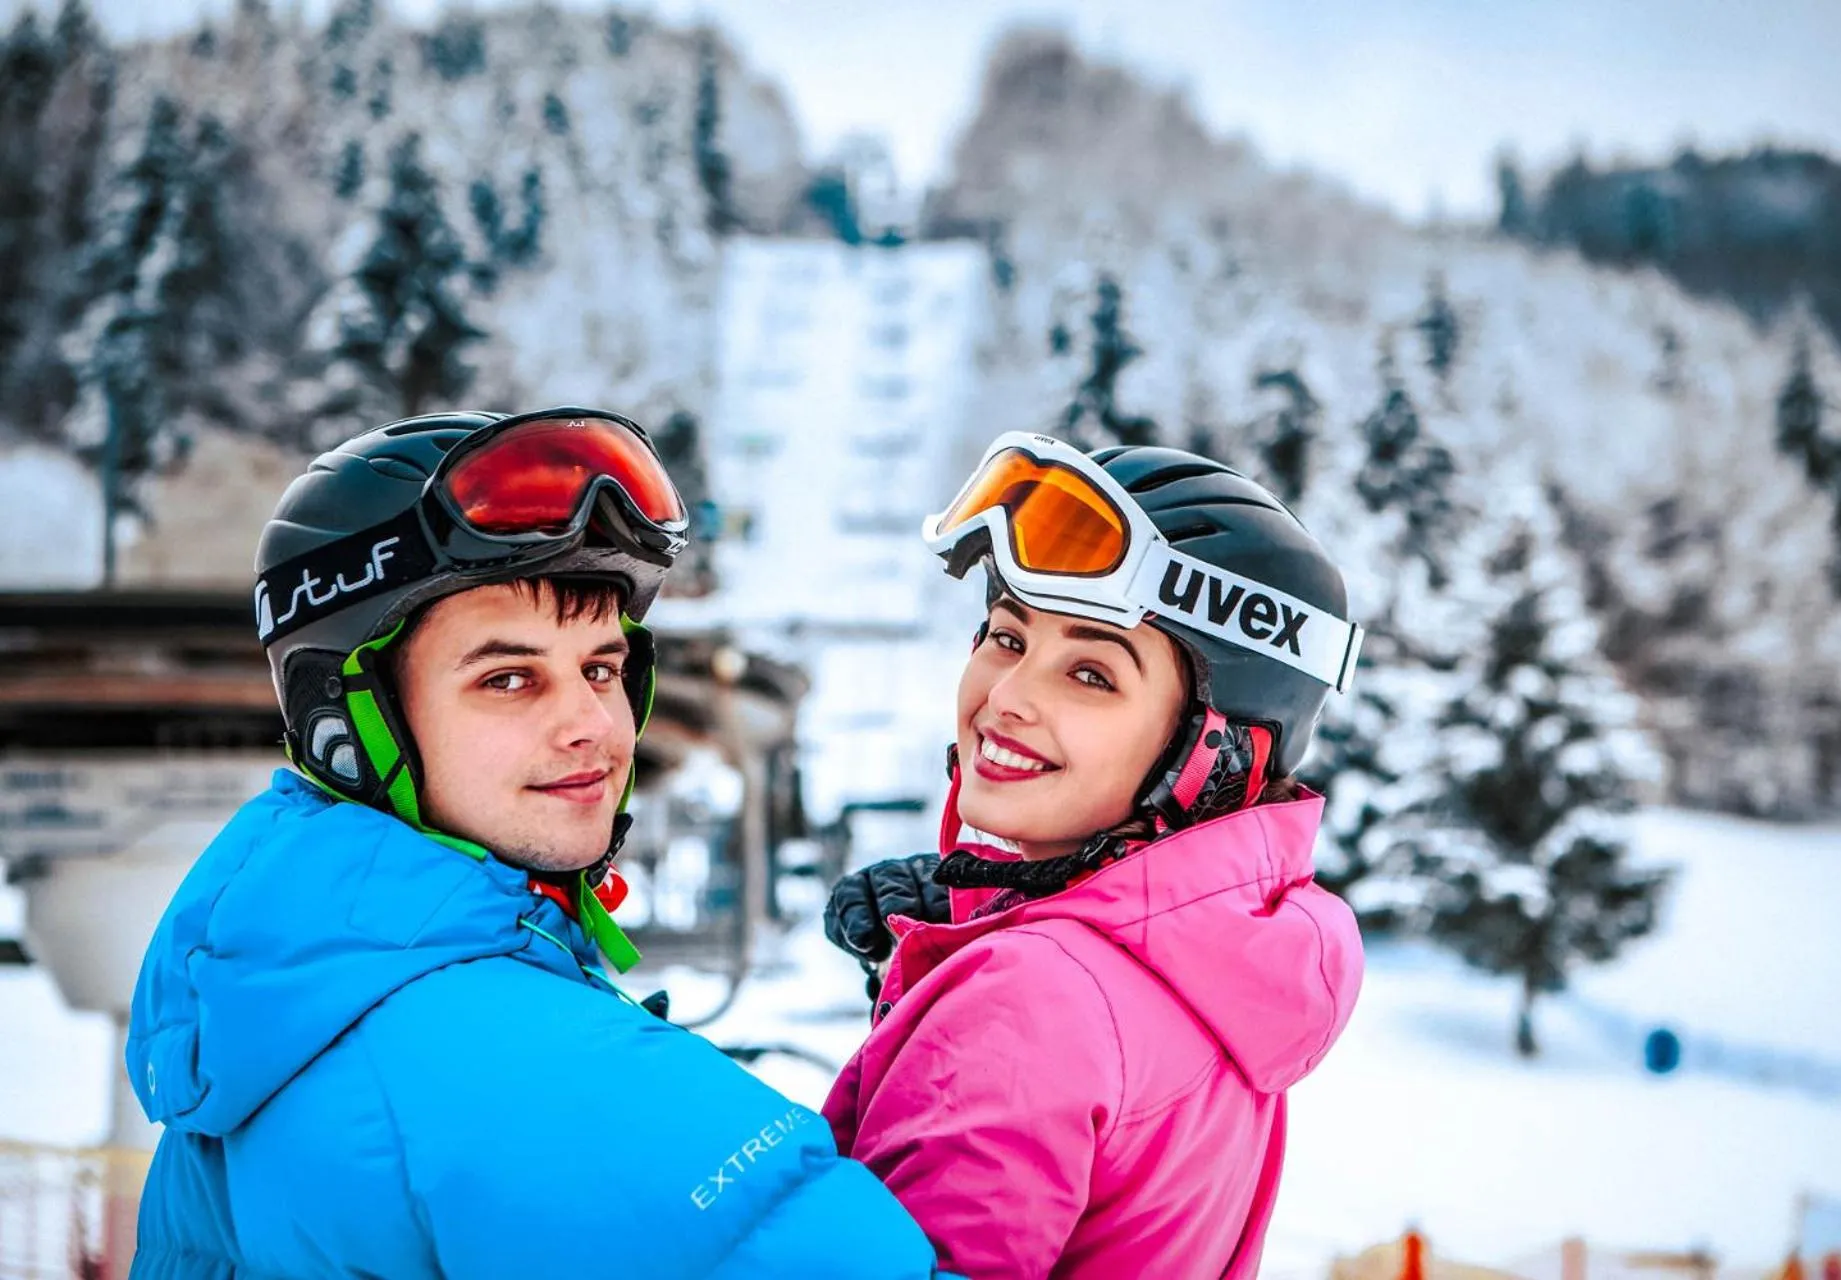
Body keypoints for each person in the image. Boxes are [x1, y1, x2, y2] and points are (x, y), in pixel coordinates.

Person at [125, 408, 942, 1279]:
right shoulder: (524, 1068)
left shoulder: (284, 985)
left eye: (600, 668)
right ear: (348, 726)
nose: (594, 725)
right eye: (508, 679)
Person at [824, 432, 1368, 1279]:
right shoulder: (1234, 965)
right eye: (1007, 638)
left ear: (1215, 754)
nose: (1006, 699)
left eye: (1091, 675)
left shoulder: (1024, 1002)